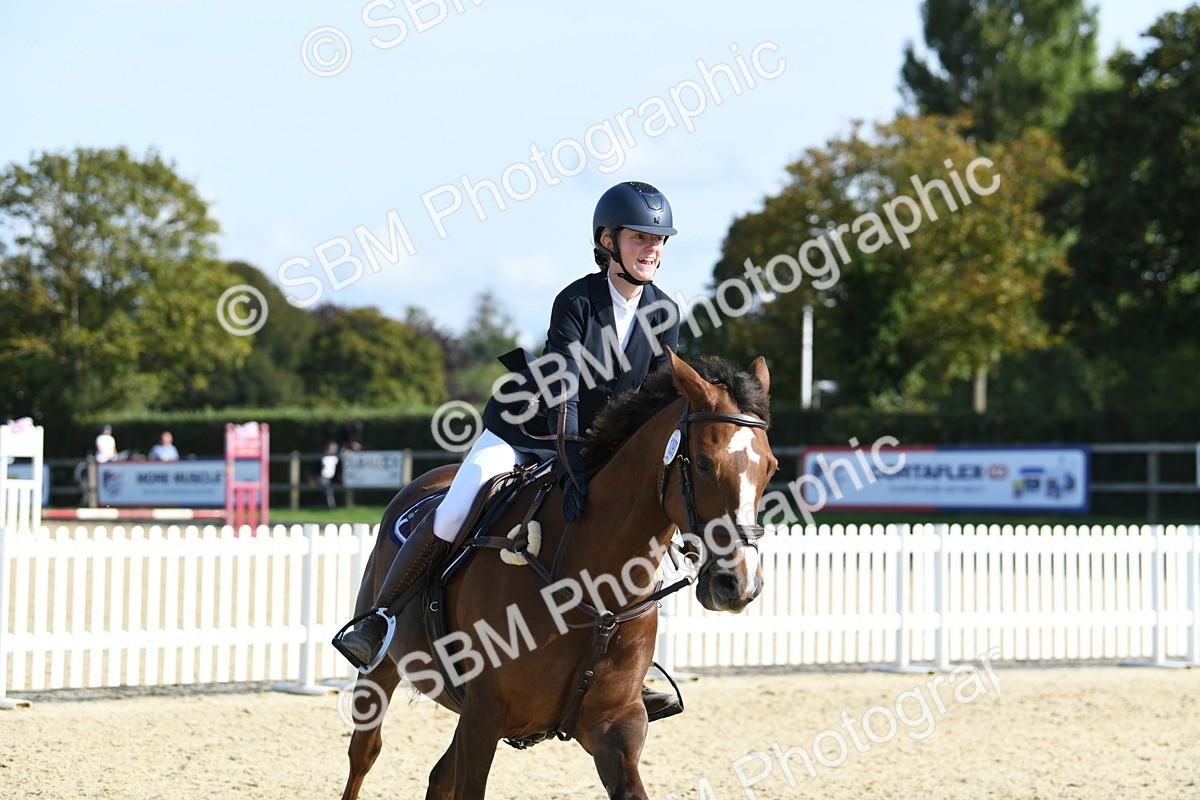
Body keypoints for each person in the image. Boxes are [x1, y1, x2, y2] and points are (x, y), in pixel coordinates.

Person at [334, 181, 683, 719]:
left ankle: (634, 668)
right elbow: (564, 389)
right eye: (640, 237)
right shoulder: (578, 300)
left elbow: (661, 403)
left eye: (659, 239)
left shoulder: (665, 310)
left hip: (596, 451)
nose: (652, 248)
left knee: (633, 540)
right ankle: (380, 619)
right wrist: (571, 466)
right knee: (456, 503)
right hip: (529, 433)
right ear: (608, 241)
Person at [320, 442, 340, 510]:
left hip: (333, 478)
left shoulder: (336, 457)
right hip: (324, 477)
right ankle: (331, 507)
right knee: (328, 491)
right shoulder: (322, 456)